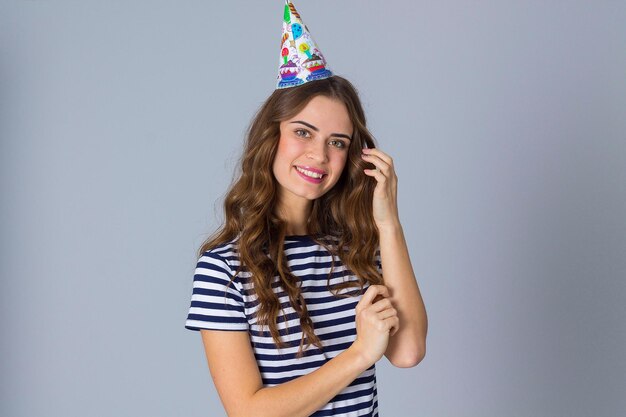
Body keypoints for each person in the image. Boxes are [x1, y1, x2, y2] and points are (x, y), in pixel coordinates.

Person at [185, 2, 427, 416]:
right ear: (271, 137)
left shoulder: (355, 248)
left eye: (337, 142)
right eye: (303, 132)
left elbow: (407, 351)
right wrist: (358, 355)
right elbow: (249, 412)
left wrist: (388, 224)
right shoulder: (224, 269)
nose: (318, 155)